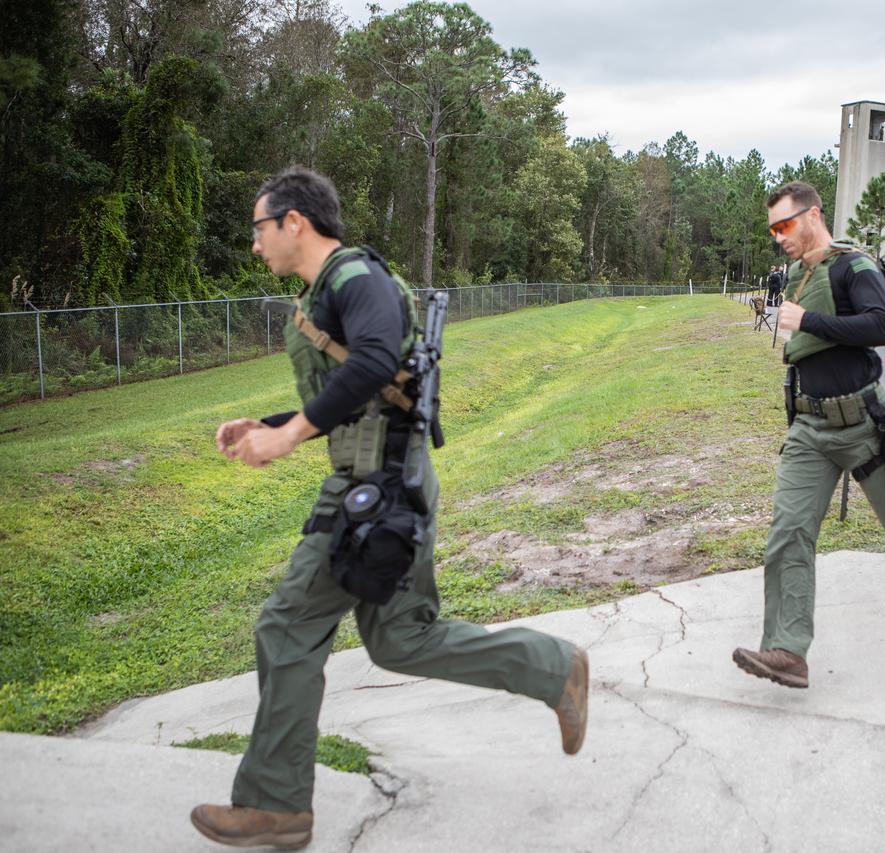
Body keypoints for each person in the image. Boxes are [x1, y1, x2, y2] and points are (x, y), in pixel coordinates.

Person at [191, 167, 589, 850]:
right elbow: (364, 390)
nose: (254, 245)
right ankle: (553, 667)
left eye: (258, 228)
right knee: (402, 638)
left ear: (294, 221)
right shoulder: (330, 289)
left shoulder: (355, 279)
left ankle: (276, 804)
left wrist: (289, 435)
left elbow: (374, 359)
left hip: (377, 490)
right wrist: (268, 420)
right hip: (380, 479)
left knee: (286, 627)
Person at [730, 181, 885, 690]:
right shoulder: (798, 277)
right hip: (809, 427)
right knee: (789, 532)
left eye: (785, 225)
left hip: (863, 425)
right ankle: (786, 650)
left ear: (813, 215)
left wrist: (811, 321)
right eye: (773, 229)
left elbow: (879, 327)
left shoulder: (853, 265)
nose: (779, 237)